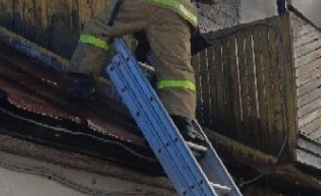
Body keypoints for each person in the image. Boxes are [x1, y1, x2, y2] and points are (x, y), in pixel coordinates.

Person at [65, 0, 219, 144]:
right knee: (177, 70)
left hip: (141, 4)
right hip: (176, 13)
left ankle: (84, 82)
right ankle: (183, 121)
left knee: (98, 28)